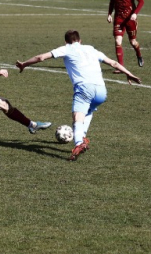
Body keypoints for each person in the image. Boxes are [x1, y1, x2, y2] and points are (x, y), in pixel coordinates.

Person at [16, 30, 141, 161]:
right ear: (80, 41)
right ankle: (82, 138)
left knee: (77, 117)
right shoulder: (91, 49)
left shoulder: (66, 49)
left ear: (66, 41)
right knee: (88, 111)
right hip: (101, 91)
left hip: (84, 88)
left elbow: (41, 57)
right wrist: (129, 73)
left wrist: (24, 64)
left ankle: (78, 143)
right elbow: (113, 63)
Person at [107, 0, 144, 71]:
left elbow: (141, 1)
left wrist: (135, 13)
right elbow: (112, 3)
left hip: (130, 19)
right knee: (117, 41)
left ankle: (139, 55)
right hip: (119, 19)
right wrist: (109, 14)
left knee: (133, 42)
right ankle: (121, 66)